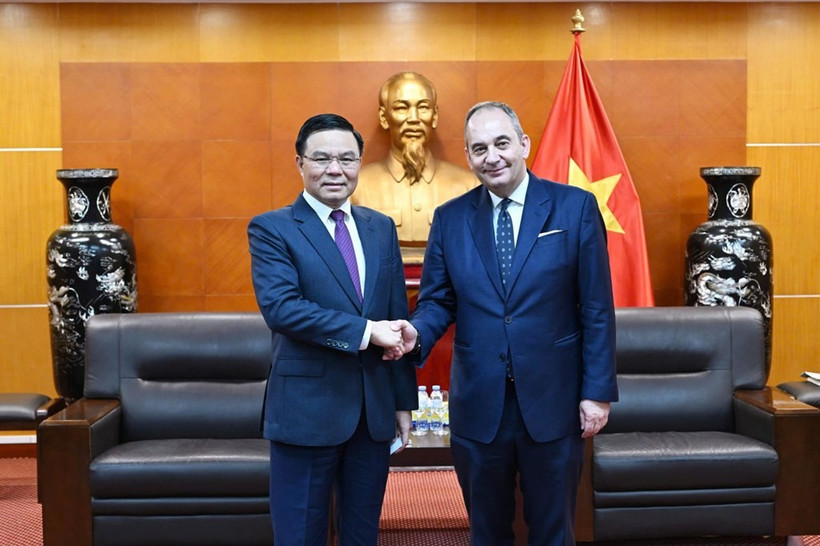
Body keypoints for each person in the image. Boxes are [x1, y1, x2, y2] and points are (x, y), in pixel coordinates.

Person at [391, 101, 618, 545]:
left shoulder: (575, 208)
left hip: (554, 400)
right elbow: (438, 300)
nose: (491, 157)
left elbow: (596, 307)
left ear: (524, 145)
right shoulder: (451, 218)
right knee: (487, 530)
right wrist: (418, 331)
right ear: (469, 156)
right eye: (479, 149)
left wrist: (597, 393)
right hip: (480, 403)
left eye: (501, 143)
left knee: (553, 530)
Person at [248, 113, 418, 546]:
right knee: (300, 534)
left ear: (360, 163)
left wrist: (402, 401)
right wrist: (365, 332)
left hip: (372, 413)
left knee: (362, 534)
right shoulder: (272, 228)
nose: (335, 169)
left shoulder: (380, 228)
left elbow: (397, 318)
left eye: (346, 158)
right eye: (321, 159)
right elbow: (283, 309)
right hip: (306, 412)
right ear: (299, 163)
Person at [352, 71, 476, 250]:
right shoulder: (356, 189)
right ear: (384, 117)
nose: (414, 119)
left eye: (423, 107)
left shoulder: (469, 186)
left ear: (434, 116)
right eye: (401, 108)